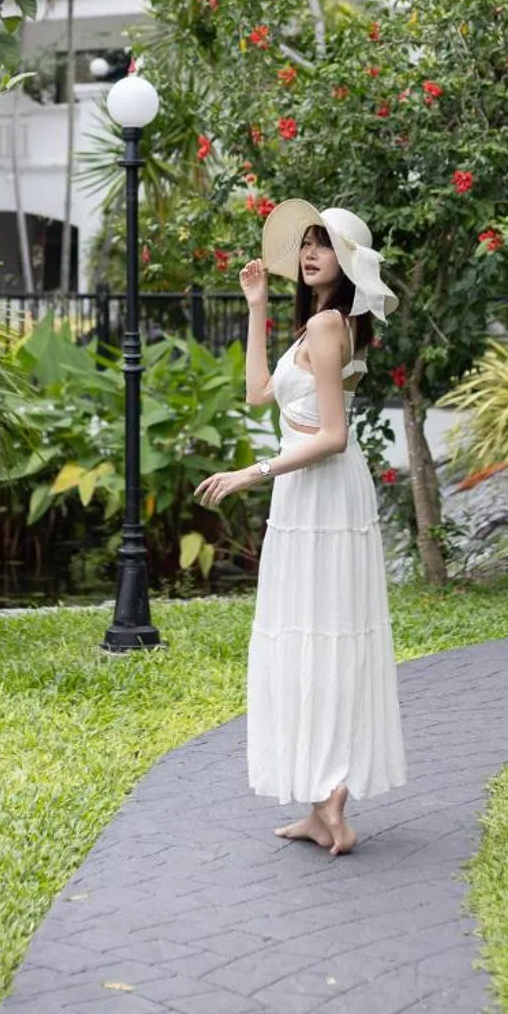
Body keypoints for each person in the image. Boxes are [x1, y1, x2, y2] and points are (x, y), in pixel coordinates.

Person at [196, 201, 407, 855]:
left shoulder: (326, 323)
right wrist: (256, 304)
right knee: (318, 634)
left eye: (324, 244)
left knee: (319, 634)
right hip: (307, 494)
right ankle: (325, 807)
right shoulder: (319, 326)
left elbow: (335, 438)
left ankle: (331, 800)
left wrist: (251, 472)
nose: (310, 252)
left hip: (316, 490)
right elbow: (260, 393)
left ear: (346, 262)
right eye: (306, 243)